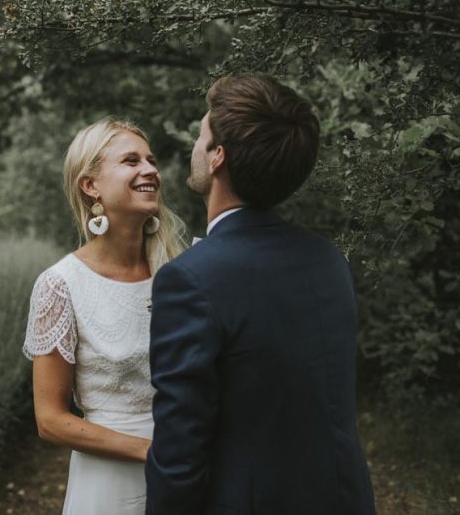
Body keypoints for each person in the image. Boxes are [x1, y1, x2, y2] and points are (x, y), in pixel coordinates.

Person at [145, 75, 377, 514]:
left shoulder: (190, 278)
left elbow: (180, 452)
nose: (195, 146)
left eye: (201, 135)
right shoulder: (328, 260)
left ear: (217, 157)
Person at [23, 118, 186, 514]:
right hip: (111, 483)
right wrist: (153, 453)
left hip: (186, 474)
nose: (149, 169)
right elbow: (51, 420)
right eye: (130, 161)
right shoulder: (61, 285)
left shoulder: (179, 271)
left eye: (150, 160)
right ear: (90, 185)